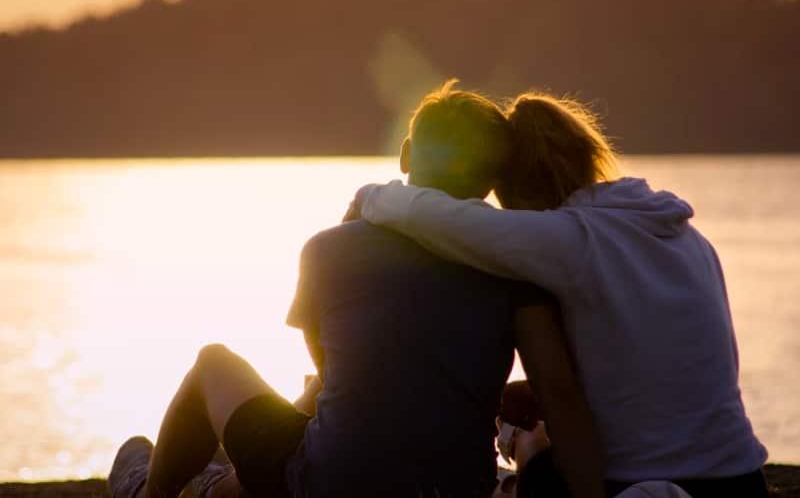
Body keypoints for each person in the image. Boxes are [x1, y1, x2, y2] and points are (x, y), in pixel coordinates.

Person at [108, 82, 604, 498]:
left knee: (214, 364)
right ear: (492, 181)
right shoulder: (512, 262)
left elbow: (339, 379)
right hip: (454, 487)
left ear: (408, 153)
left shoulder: (328, 249)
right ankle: (217, 482)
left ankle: (150, 492)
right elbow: (558, 390)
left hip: (329, 484)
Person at [353, 92, 769, 498]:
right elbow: (669, 369)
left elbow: (440, 218)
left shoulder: (569, 238)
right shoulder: (685, 235)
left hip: (636, 482)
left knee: (529, 441)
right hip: (740, 479)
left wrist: (371, 196)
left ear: (513, 185)